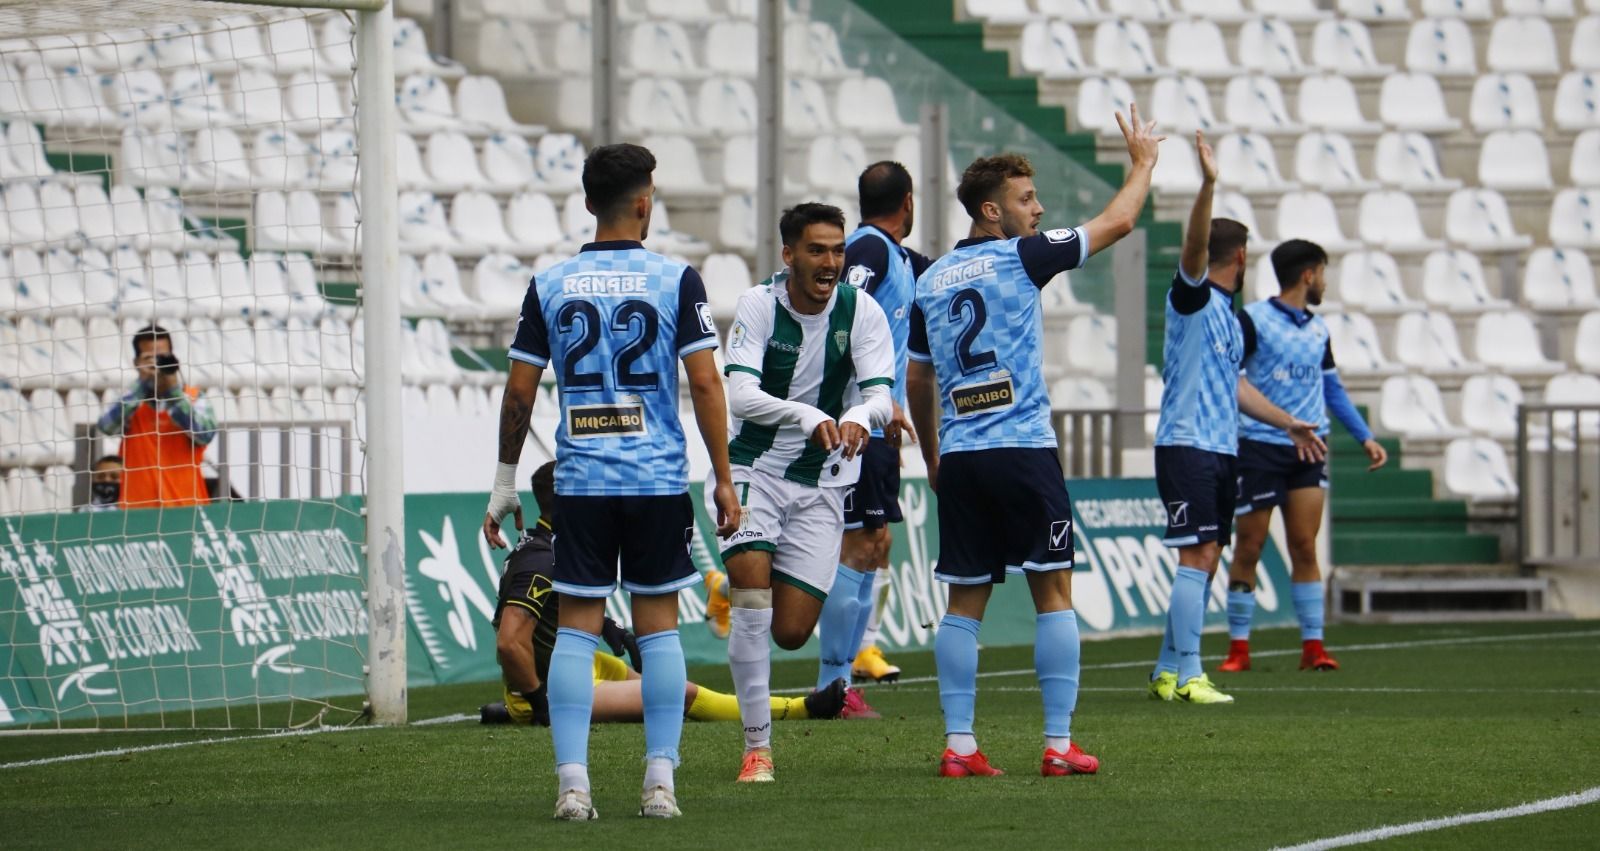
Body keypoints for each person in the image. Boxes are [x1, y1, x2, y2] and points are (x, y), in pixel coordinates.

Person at [481, 142, 742, 822]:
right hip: (654, 479)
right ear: (643, 201)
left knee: (576, 631)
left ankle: (574, 784)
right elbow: (707, 381)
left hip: (583, 483)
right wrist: (723, 477)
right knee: (657, 633)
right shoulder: (676, 279)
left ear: (590, 202)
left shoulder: (550, 284)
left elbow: (519, 390)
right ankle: (659, 782)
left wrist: (505, 479)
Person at [904, 105, 1161, 779]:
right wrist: (1144, 164)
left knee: (964, 600)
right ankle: (1056, 742)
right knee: (1054, 591)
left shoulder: (929, 280)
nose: (1039, 209)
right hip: (1022, 450)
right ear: (991, 212)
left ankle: (960, 745)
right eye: (1026, 198)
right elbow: (1120, 222)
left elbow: (917, 378)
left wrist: (933, 457)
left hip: (961, 458)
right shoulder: (1023, 256)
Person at [718, 202, 896, 783]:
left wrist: (859, 418)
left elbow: (880, 397)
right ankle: (757, 749)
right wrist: (806, 413)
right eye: (817, 250)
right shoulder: (758, 306)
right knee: (752, 604)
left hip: (821, 481)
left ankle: (734, 578)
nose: (830, 263)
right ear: (789, 253)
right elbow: (740, 396)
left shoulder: (862, 310)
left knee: (791, 633)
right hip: (753, 469)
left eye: (838, 250)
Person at [1147, 133, 1325, 707]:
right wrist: (1207, 186)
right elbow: (1194, 249)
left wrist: (1289, 422)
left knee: (1207, 555)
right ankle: (1193, 673)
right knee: (1198, 555)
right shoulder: (1194, 297)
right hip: (1187, 444)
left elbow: (1239, 387)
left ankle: (1167, 670)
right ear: (1242, 257)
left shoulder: (1226, 314)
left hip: (1221, 448)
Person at [481, 462, 847, 727]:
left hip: (583, 665)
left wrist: (617, 632)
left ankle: (511, 706)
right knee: (675, 694)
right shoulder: (541, 559)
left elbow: (557, 606)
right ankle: (800, 708)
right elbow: (509, 642)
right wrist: (536, 699)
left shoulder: (553, 545)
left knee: (670, 685)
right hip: (557, 685)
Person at [1220, 239, 1389, 674]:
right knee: (1250, 546)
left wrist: (1364, 436)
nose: (1325, 283)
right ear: (1308, 275)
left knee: (1304, 546)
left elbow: (1332, 388)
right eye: (1323, 274)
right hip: (1259, 446)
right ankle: (1239, 648)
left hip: (1310, 449)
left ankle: (1313, 646)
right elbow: (1236, 381)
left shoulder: (1319, 330)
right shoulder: (1252, 320)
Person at [811, 161, 931, 716]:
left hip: (878, 423)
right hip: (858, 423)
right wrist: (871, 399)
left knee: (876, 544)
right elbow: (844, 310)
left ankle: (851, 668)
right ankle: (833, 684)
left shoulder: (896, 256)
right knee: (858, 546)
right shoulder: (869, 251)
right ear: (908, 200)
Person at [95, 324, 216, 509]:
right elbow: (107, 426)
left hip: (186, 508)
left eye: (162, 357)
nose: (157, 364)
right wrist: (142, 383)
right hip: (138, 510)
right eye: (150, 358)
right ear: (137, 362)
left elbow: (204, 434)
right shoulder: (131, 400)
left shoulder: (194, 398)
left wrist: (173, 392)